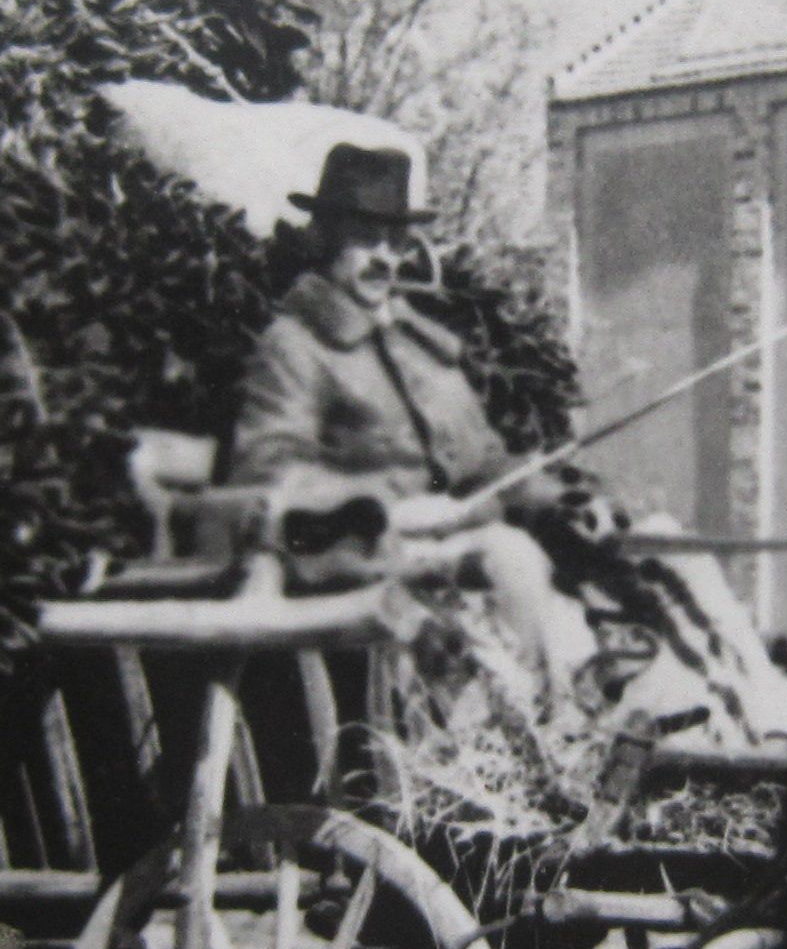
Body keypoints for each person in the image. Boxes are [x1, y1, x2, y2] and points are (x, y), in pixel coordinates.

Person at [226, 144, 601, 692]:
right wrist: (393, 509)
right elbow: (268, 472)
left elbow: (486, 462)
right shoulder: (295, 345)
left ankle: (694, 720)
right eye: (365, 237)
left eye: (396, 240)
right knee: (512, 555)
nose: (385, 256)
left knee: (641, 551)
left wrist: (561, 504)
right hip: (361, 556)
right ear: (324, 237)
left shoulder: (416, 345)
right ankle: (552, 721)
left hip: (450, 550)